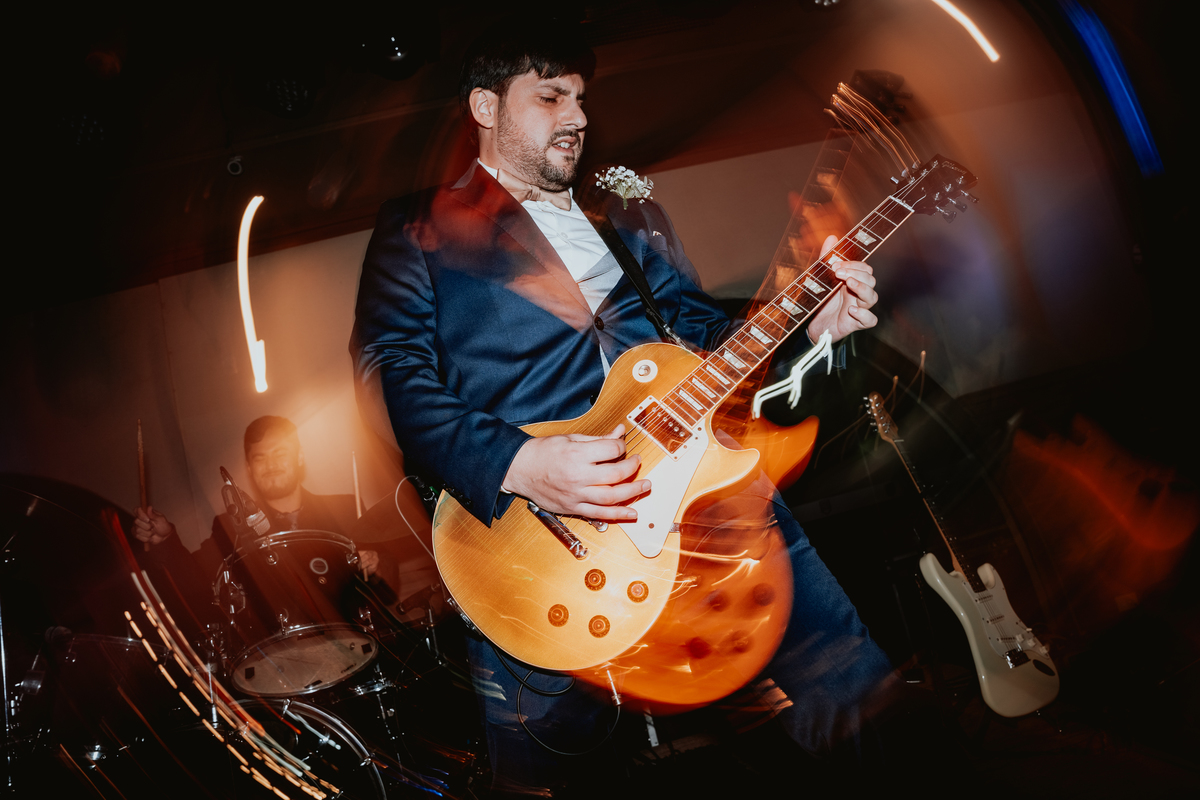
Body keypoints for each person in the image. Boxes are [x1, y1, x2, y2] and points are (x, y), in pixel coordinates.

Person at [351, 21, 893, 794]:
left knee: (853, 695)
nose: (575, 115)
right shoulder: (419, 229)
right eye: (548, 96)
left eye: (579, 96)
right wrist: (516, 463)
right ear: (483, 105)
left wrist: (812, 324)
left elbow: (702, 333)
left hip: (710, 508)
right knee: (553, 773)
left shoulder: (623, 214)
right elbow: (390, 372)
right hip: (545, 545)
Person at [134, 415, 378, 581]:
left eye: (280, 453)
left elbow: (387, 579)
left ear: (299, 457)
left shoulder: (346, 508)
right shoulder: (230, 527)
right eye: (260, 458)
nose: (270, 464)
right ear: (249, 467)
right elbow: (194, 577)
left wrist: (376, 566)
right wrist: (165, 539)